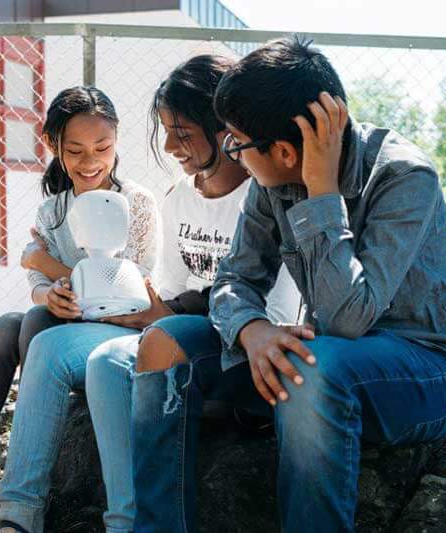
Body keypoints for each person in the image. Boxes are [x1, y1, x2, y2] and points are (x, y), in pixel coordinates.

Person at [130, 37, 446, 532]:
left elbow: (348, 321)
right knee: (164, 343)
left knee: (313, 367)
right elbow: (235, 279)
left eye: (236, 141)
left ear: (283, 150)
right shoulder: (271, 179)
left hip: (434, 368)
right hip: (327, 356)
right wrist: (251, 329)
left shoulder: (404, 177)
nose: (232, 152)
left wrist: (322, 194)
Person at [0, 86, 160, 532]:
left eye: (103, 148)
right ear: (54, 147)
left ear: (117, 142)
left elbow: (129, 290)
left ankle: (23, 488)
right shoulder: (51, 211)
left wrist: (44, 261)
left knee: (39, 325)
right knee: (11, 324)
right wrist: (51, 292)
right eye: (75, 150)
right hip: (58, 328)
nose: (90, 161)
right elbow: (37, 290)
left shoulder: (136, 205)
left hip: (116, 334)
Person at [83, 54, 302, 533]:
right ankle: (124, 520)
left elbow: (278, 310)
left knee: (168, 343)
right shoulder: (179, 197)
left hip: (250, 344)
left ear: (223, 128)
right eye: (165, 130)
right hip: (184, 330)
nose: (169, 145)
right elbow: (174, 290)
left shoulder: (264, 191)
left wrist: (168, 313)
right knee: (105, 361)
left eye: (182, 133)